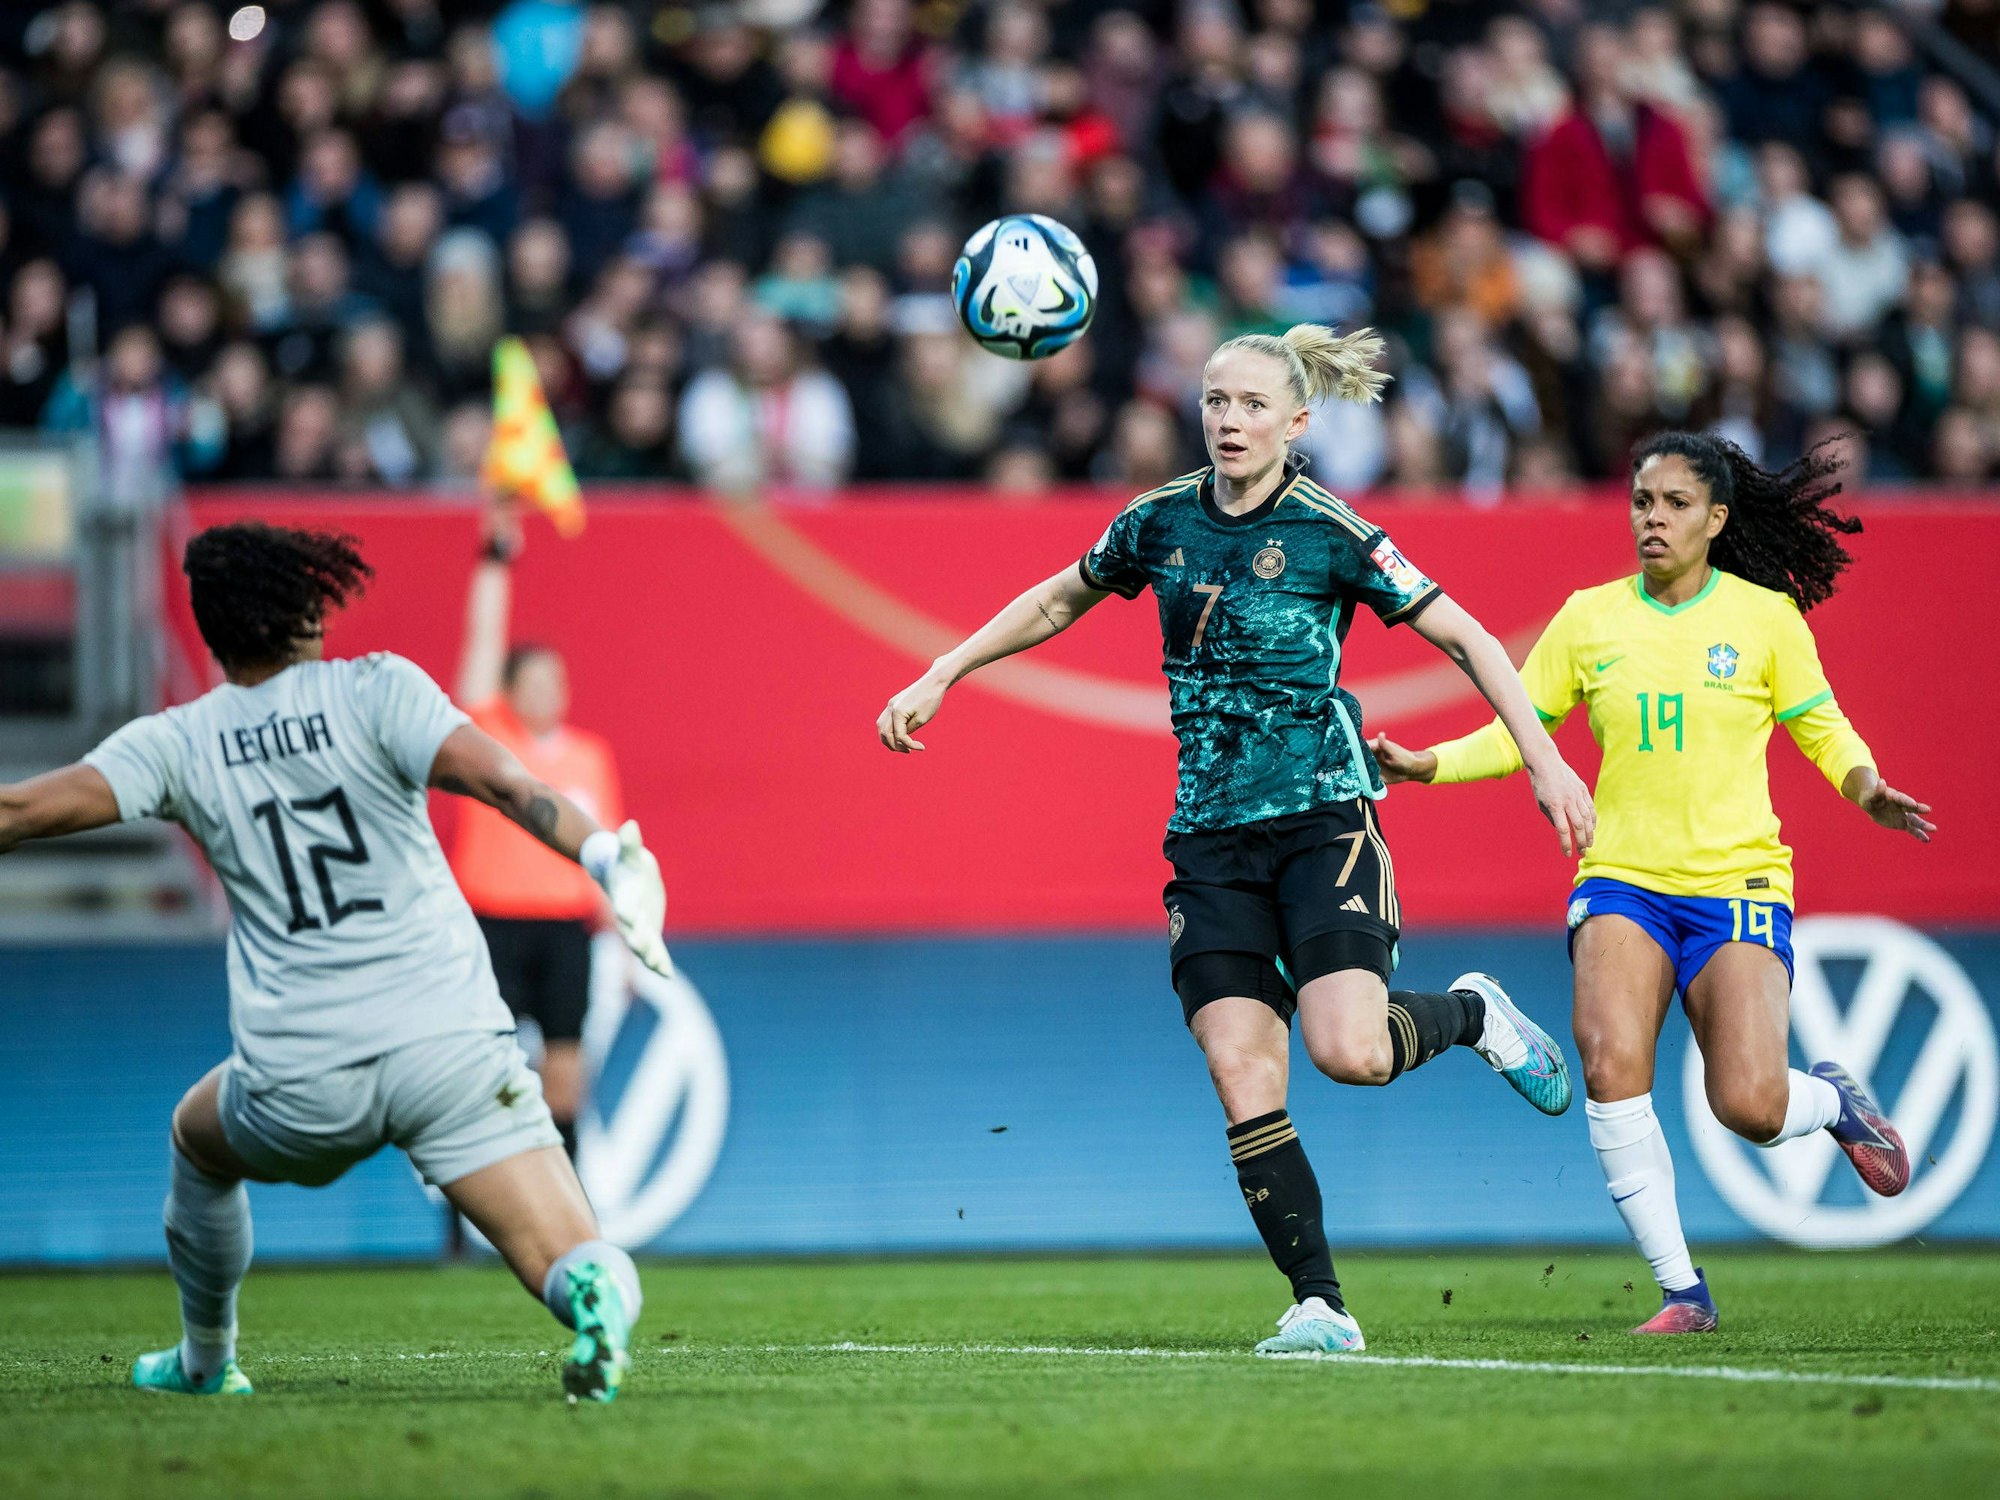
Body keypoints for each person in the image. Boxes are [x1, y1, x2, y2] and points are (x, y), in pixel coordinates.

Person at [877, 324, 1597, 1355]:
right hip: (1209, 840)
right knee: (1240, 1070)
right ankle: (1321, 1305)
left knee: (1348, 1052)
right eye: (1216, 400)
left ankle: (1474, 1014)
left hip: (1321, 820)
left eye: (1253, 405)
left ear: (1295, 422)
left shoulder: (1330, 530)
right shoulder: (1158, 519)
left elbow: (1467, 636)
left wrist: (1543, 760)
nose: (1229, 420)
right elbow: (1057, 597)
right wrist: (943, 670)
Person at [0, 523, 671, 1403]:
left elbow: (18, 813)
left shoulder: (175, 741)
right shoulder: (378, 689)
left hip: (300, 1076)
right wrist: (605, 856)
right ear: (310, 615)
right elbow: (511, 786)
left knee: (197, 1141)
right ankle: (593, 1303)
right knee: (576, 1253)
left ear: (213, 633)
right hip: (446, 1050)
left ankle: (205, 1362)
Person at [1371, 432, 1931, 1334]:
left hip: (1738, 881)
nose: (1653, 520)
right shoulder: (1589, 619)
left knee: (1749, 1103)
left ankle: (1834, 1103)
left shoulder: (1764, 620)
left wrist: (1865, 787)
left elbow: (1823, 727)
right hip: (1622, 879)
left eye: (1675, 504)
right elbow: (1522, 732)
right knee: (1608, 1063)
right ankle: (1683, 1292)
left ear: (1716, 519)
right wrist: (1427, 763)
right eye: (1641, 502)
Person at [450, 498, 624, 1165]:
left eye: (559, 679)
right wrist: (495, 559)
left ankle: (569, 1205)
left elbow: (605, 850)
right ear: (510, 689)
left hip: (565, 933)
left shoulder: (589, 755)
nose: (552, 690)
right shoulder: (489, 741)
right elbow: (481, 643)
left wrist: (624, 939)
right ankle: (463, 1218)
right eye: (537, 680)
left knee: (566, 1082)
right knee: (481, 1080)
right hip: (494, 926)